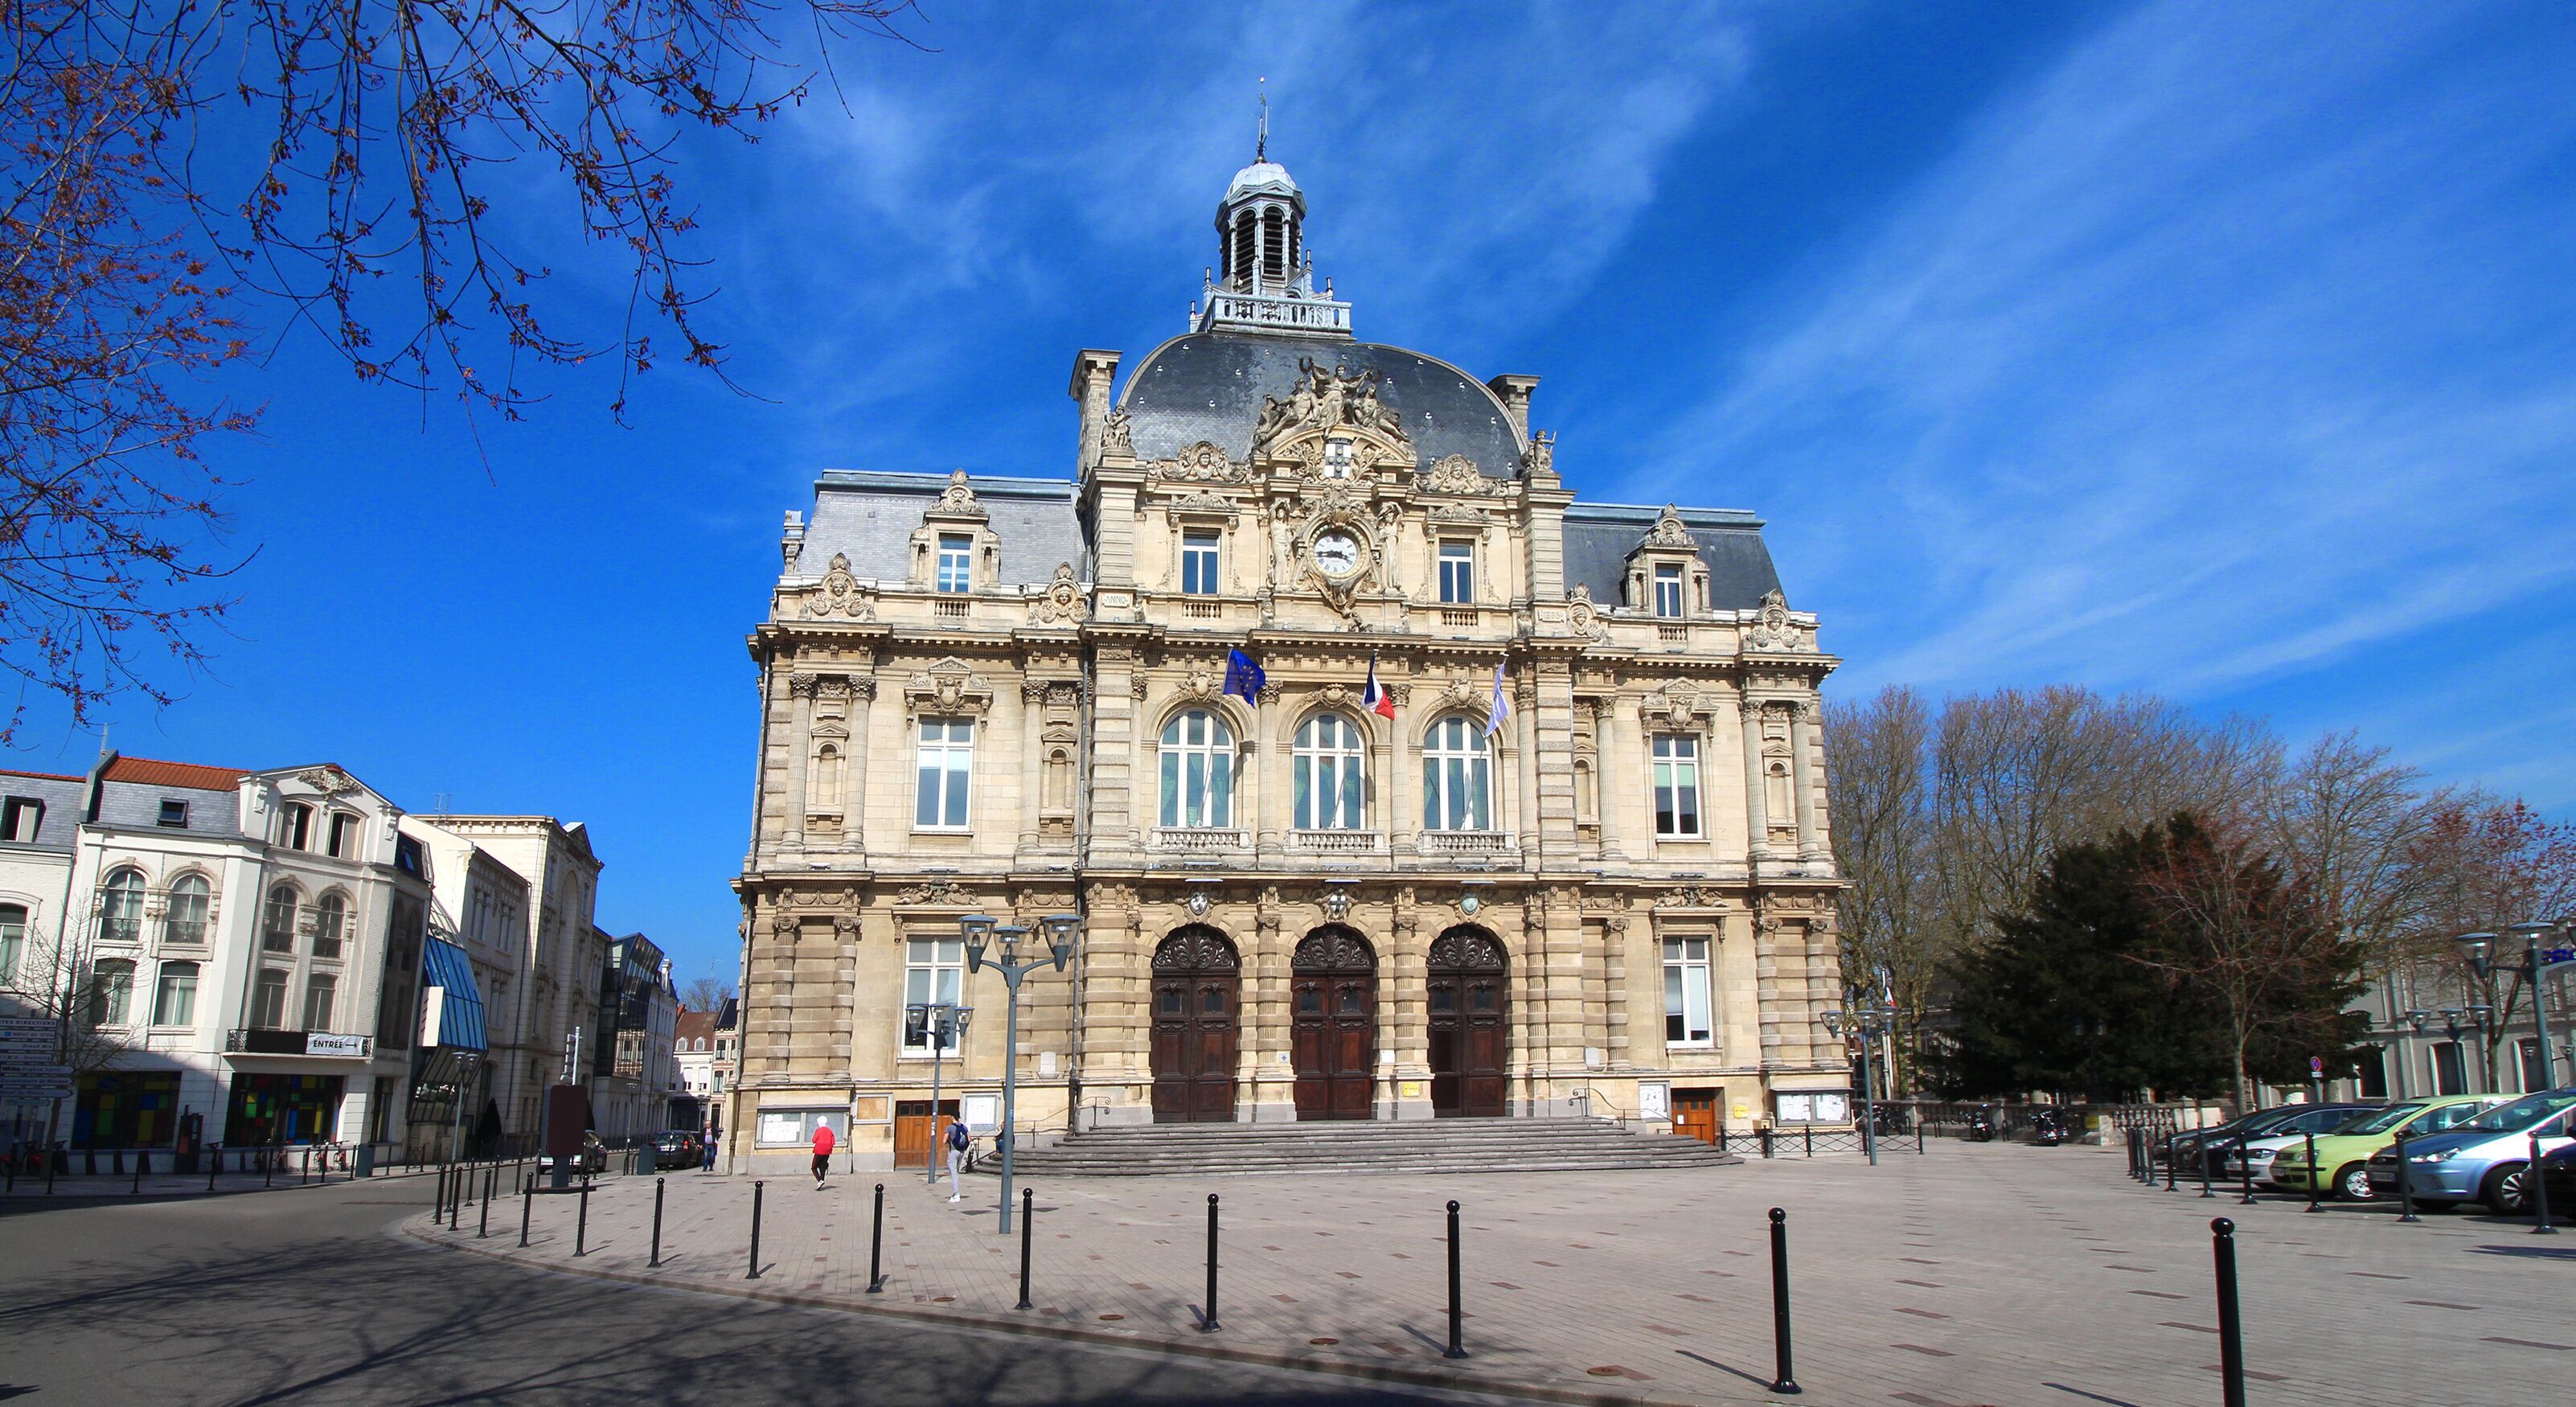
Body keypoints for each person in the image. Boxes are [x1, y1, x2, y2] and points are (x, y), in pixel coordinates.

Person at [945, 1118, 970, 1203]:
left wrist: (949, 1140)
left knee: (953, 1173)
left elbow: (944, 1141)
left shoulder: (949, 1127)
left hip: (953, 1151)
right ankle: (955, 1193)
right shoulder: (964, 1127)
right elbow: (969, 1140)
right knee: (956, 1172)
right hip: (962, 1151)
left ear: (952, 1117)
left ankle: (956, 1194)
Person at [810, 1122, 835, 1188]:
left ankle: (820, 1180)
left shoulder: (819, 1130)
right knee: (822, 1166)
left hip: (819, 1150)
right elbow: (833, 1142)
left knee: (814, 1167)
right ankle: (822, 1180)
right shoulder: (830, 1131)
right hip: (827, 1151)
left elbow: (814, 1140)